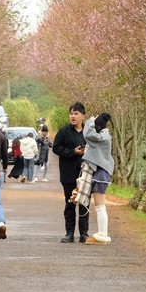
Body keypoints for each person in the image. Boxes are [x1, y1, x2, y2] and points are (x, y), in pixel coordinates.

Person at [53, 101, 89, 243]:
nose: (73, 116)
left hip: (85, 174)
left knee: (84, 204)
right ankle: (69, 233)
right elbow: (56, 148)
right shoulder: (64, 131)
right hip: (68, 173)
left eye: (76, 113)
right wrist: (72, 152)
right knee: (70, 204)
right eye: (71, 113)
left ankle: (84, 234)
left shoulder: (88, 133)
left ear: (83, 116)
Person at [82, 112, 114, 244]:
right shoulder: (104, 136)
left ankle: (102, 234)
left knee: (100, 206)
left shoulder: (103, 138)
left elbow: (88, 134)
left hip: (101, 173)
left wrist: (89, 122)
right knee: (100, 206)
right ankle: (102, 233)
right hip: (102, 173)